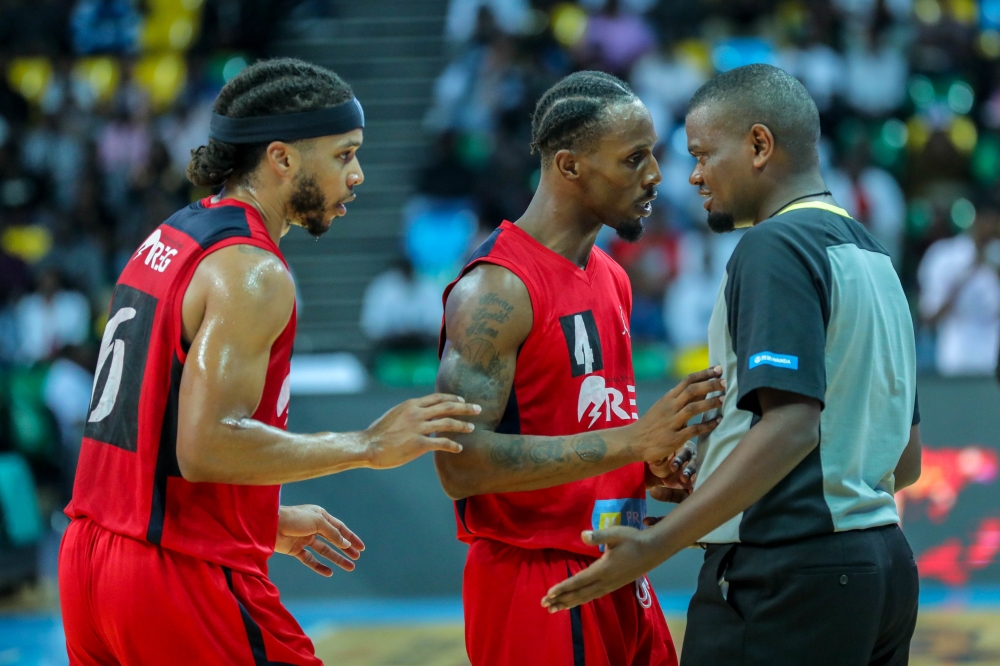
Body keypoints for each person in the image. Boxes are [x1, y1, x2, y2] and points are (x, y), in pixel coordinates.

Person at [58, 58, 481, 665]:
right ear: (281, 158)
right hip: (176, 573)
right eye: (343, 155)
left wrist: (259, 516)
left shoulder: (173, 235)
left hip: (91, 562)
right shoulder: (252, 270)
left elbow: (155, 428)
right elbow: (205, 447)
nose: (358, 175)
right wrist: (366, 444)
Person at [543, 64, 922, 666]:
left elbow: (793, 425)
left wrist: (656, 544)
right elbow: (905, 460)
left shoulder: (775, 246)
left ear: (759, 145)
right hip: (884, 570)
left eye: (701, 154)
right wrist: (721, 459)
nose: (690, 175)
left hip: (789, 573)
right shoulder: (872, 254)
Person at [434, 70, 725, 666]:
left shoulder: (612, 276)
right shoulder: (496, 289)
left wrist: (643, 469)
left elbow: (585, 428)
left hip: (619, 560)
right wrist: (630, 441)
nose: (656, 176)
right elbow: (459, 465)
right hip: (534, 579)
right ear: (568, 166)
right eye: (634, 159)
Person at [918, 195, 1000, 376]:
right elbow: (929, 316)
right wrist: (970, 271)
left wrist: (993, 269)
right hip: (957, 357)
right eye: (987, 220)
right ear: (975, 219)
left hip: (994, 359)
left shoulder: (997, 257)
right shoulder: (944, 255)